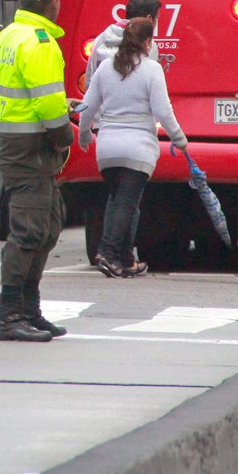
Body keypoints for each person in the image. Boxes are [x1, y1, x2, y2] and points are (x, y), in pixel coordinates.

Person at [0, 0, 75, 342]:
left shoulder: (6, 36)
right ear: (50, 3)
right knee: (30, 231)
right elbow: (48, 103)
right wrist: (65, 135)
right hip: (31, 148)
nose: (60, 3)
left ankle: (28, 309)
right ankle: (9, 315)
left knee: (50, 223)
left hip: (15, 143)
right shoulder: (39, 42)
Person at [78, 16, 187, 278]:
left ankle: (127, 259)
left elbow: (87, 107)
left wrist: (84, 135)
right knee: (126, 203)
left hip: (107, 147)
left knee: (121, 200)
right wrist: (179, 138)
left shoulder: (105, 69)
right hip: (138, 147)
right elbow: (163, 110)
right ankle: (108, 253)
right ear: (148, 42)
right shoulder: (151, 70)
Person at [87, 0, 162, 83]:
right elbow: (151, 85)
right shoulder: (148, 45)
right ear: (149, 19)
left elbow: (89, 82)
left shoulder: (101, 39)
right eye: (157, 18)